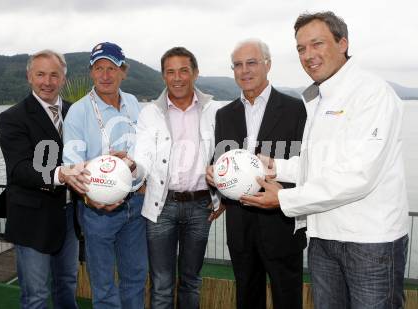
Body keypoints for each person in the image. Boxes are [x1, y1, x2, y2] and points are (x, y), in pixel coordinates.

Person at [240, 12, 410, 309]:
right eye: (301, 49)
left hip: (370, 243)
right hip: (321, 238)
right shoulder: (319, 99)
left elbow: (359, 175)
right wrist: (277, 167)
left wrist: (284, 199)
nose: (308, 55)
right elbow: (321, 164)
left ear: (343, 43)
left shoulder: (372, 93)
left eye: (317, 44)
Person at [206, 39, 307, 309]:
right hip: (240, 226)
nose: (244, 70)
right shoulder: (224, 114)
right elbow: (220, 159)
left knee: (288, 299)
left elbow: (305, 164)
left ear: (268, 65)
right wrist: (212, 174)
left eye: (251, 62)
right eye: (238, 65)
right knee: (247, 298)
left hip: (281, 225)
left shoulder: (295, 109)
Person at [133, 47, 225, 309]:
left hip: (201, 207)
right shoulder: (150, 113)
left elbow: (226, 158)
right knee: (161, 284)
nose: (177, 78)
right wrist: (132, 171)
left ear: (195, 73)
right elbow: (142, 157)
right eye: (170, 72)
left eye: (183, 70)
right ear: (163, 76)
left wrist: (224, 198)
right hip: (162, 206)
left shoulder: (215, 111)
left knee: (191, 281)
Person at [62, 42, 147, 309]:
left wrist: (140, 174)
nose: (105, 74)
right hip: (98, 209)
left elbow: (146, 150)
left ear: (123, 71)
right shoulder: (79, 111)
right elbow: (72, 164)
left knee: (135, 277)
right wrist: (89, 198)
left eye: (111, 68)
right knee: (103, 284)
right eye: (98, 68)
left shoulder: (134, 103)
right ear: (91, 72)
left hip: (135, 204)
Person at [0, 50, 79, 309]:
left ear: (63, 79)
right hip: (32, 219)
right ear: (29, 77)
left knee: (67, 283)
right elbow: (20, 169)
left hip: (70, 215)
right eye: (40, 74)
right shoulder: (13, 117)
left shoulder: (75, 112)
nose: (47, 81)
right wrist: (60, 174)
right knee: (36, 295)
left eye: (54, 75)